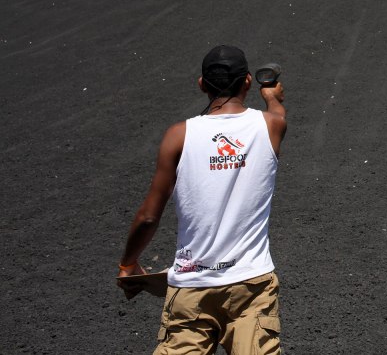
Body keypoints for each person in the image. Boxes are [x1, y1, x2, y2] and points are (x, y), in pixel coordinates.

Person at [117, 45, 287, 354]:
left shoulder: (179, 135)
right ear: (248, 82)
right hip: (252, 284)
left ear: (202, 84)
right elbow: (277, 113)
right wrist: (273, 96)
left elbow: (148, 217)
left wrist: (128, 264)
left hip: (192, 287)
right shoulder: (271, 126)